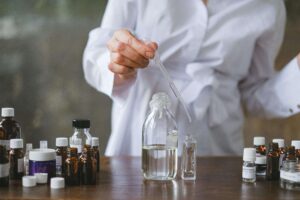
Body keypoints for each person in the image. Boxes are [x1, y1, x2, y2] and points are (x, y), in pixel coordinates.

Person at [83, 0, 300, 156]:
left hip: (218, 148)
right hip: (140, 141)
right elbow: (96, 55)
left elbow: (253, 93)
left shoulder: (268, 6)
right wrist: (119, 63)